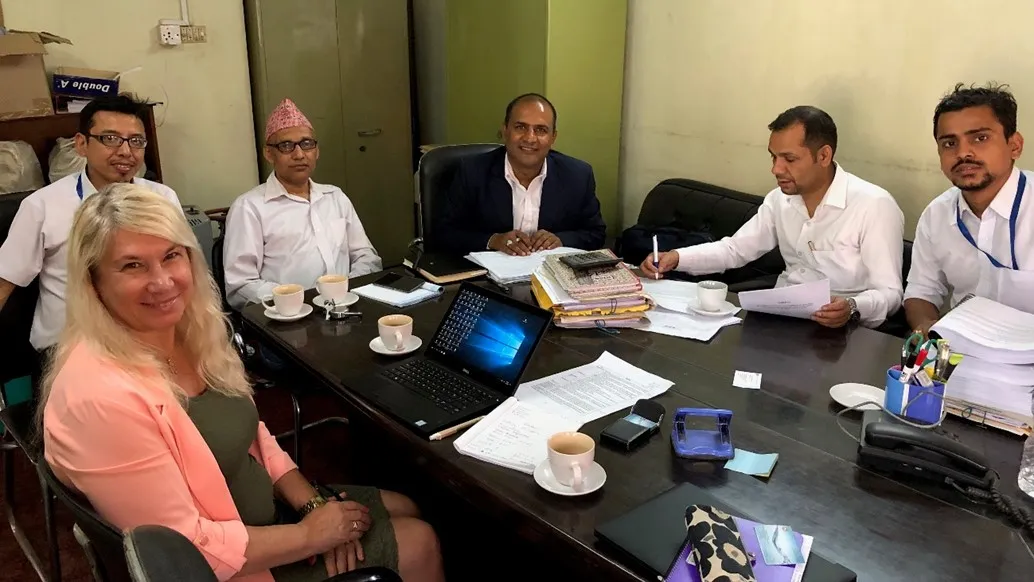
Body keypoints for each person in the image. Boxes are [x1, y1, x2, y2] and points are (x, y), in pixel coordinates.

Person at [41, 183, 444, 582]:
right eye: (132, 265)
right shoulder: (98, 397)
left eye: (171, 256)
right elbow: (184, 549)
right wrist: (310, 536)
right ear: (93, 282)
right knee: (420, 540)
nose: (162, 281)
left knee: (406, 505)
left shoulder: (188, 330)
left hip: (263, 514)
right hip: (234, 563)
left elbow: (250, 432)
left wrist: (312, 505)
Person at [641, 106, 905, 329]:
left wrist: (852, 306)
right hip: (781, 319)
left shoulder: (874, 205)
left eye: (789, 159)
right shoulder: (779, 200)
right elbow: (735, 250)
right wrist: (676, 257)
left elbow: (890, 295)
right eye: (773, 157)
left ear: (824, 156)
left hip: (843, 330)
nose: (776, 169)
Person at [0, 94, 181, 353]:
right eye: (110, 139)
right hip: (71, 348)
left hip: (146, 338)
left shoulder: (162, 198)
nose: (126, 151)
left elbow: (184, 271)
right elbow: (5, 282)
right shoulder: (42, 206)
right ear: (81, 144)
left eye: (136, 141)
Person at [223, 98, 381, 310]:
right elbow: (240, 285)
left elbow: (366, 257)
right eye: (286, 146)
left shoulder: (335, 197)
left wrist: (346, 289)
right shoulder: (250, 208)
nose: (299, 155)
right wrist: (297, 301)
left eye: (306, 144)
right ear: (269, 153)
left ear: (317, 151)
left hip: (346, 309)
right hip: (286, 318)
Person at [904, 83, 1034, 333]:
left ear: (1014, 145)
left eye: (980, 138)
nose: (963, 153)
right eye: (949, 143)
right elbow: (922, 291)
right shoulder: (937, 214)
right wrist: (927, 328)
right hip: (961, 350)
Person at [437, 93, 607, 256]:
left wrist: (561, 240)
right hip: (488, 273)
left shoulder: (577, 175)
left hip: (548, 273)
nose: (530, 138)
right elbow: (444, 233)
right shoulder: (472, 172)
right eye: (520, 127)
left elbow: (595, 233)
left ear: (553, 137)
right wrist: (493, 240)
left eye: (541, 130)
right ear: (505, 130)